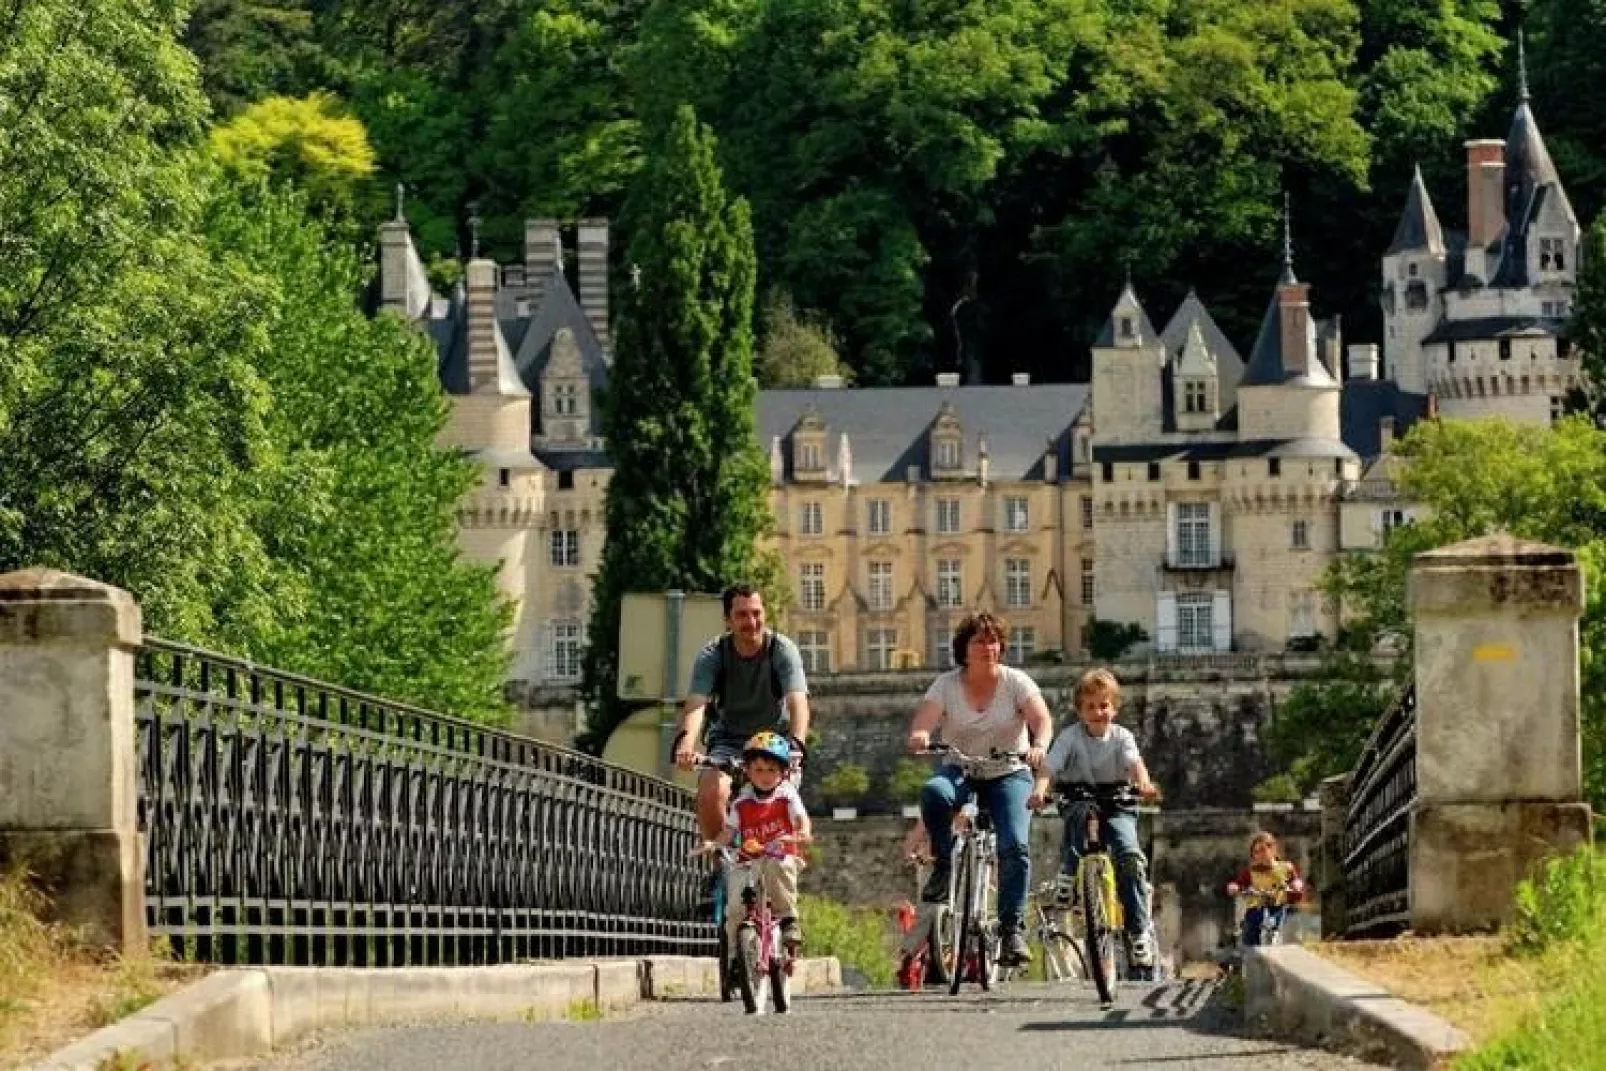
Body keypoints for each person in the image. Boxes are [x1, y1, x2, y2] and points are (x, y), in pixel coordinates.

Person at [905, 611, 1053, 967]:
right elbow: (923, 722)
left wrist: (1039, 745)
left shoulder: (1016, 682)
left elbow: (1042, 720)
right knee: (934, 794)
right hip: (962, 769)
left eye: (993, 640)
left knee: (1014, 845)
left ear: (1001, 647)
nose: (987, 647)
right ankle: (943, 860)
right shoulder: (946, 685)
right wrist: (920, 736)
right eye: (978, 641)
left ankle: (1011, 928)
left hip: (1008, 773)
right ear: (964, 649)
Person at [1028, 667, 1161, 968]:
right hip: (1079, 795)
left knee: (1129, 855)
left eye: (1104, 705)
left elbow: (1135, 763)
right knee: (1080, 815)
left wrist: (1144, 784)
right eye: (1090, 706)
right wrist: (1039, 790)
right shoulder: (1070, 737)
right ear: (1079, 711)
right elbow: (1050, 767)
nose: (1098, 712)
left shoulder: (1122, 736)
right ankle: (1068, 870)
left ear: (1114, 707)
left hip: (1117, 800)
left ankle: (1138, 930)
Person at [672, 583, 811, 843]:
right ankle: (722, 867)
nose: (752, 621)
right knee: (710, 794)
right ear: (727, 620)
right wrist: (686, 744)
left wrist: (797, 746)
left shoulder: (781, 650)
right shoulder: (713, 655)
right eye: (742, 615)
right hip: (729, 742)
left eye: (757, 613)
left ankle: (778, 870)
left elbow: (798, 702)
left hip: (775, 745)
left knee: (780, 808)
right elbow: (697, 705)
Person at [701, 732, 812, 952]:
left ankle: (789, 920)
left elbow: (800, 819)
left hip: (780, 854)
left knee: (777, 867)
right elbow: (729, 831)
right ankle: (735, 954)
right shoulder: (742, 802)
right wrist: (714, 844)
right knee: (734, 907)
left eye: (772, 770)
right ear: (748, 771)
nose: (765, 776)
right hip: (749, 859)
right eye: (759, 770)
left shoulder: (786, 795)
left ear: (783, 772)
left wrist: (802, 833)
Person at [1226, 831, 1305, 947]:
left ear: (1273, 850)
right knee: (1250, 931)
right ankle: (1248, 952)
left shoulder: (1285, 868)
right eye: (1256, 852)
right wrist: (1234, 887)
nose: (1260, 855)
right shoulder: (1251, 872)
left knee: (1281, 928)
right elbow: (1238, 883)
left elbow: (1295, 880)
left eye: (1263, 850)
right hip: (1256, 907)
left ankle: (1279, 945)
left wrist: (1296, 884)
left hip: (1277, 905)